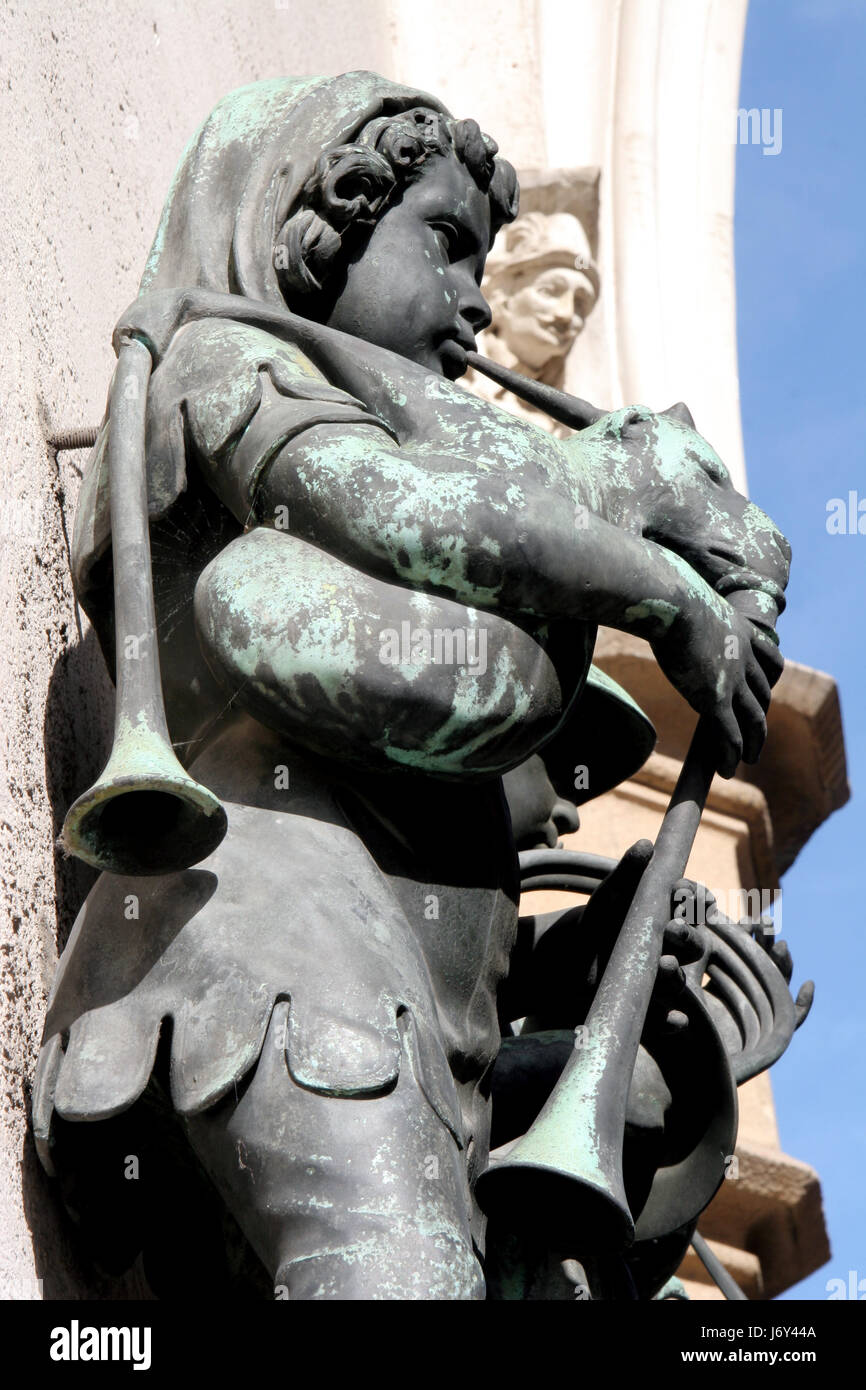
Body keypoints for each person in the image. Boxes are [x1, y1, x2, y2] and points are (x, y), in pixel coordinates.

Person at [34, 72, 789, 1300]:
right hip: (272, 942)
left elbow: (439, 869)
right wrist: (660, 581)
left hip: (389, 1002)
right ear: (311, 231)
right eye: (441, 242)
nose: (473, 302)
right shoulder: (232, 359)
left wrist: (628, 1002)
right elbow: (383, 505)